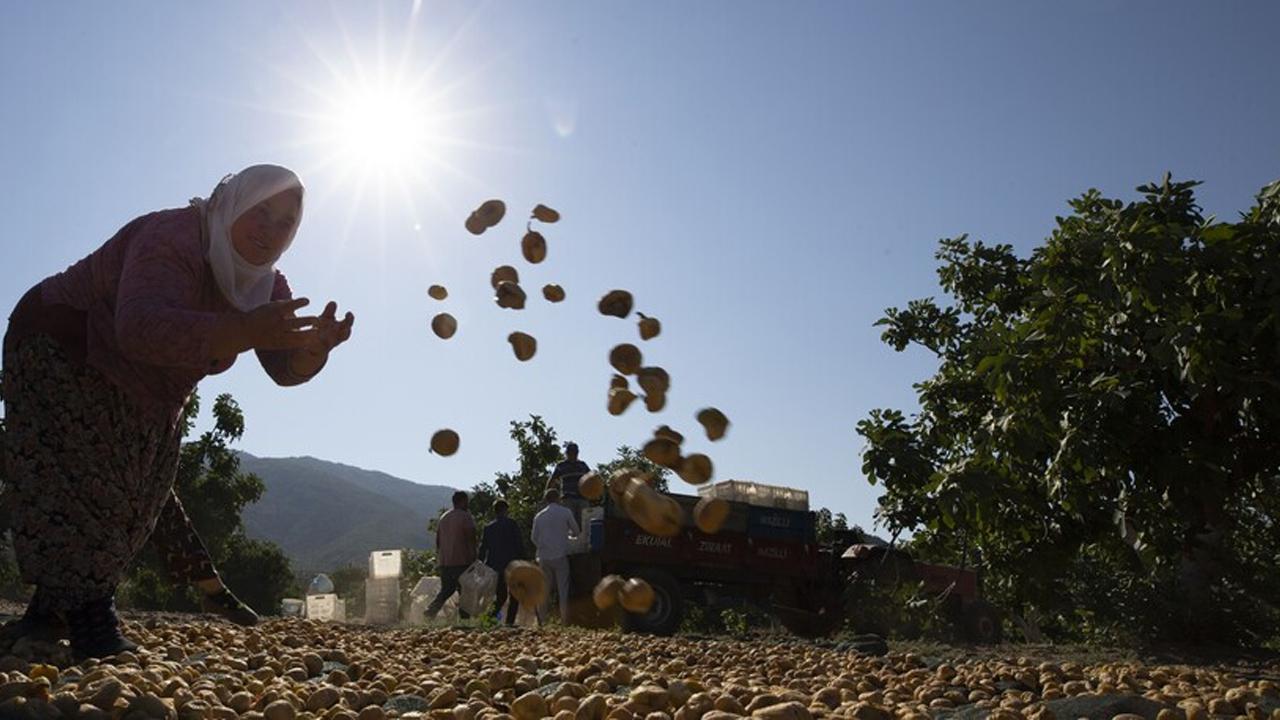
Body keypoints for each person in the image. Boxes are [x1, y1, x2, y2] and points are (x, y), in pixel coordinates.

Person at [0, 164, 354, 658]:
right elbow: (140, 327)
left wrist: (314, 350)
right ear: (232, 203)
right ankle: (90, 616)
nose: (270, 231)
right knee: (91, 474)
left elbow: (283, 367)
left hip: (150, 387)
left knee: (148, 485)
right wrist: (244, 331)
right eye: (261, 212)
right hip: (62, 340)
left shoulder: (267, 285)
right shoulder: (174, 236)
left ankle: (46, 615)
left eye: (285, 224)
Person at [530, 488, 580, 624]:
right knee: (563, 589)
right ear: (558, 498)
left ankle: (542, 620)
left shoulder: (539, 516)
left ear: (546, 500)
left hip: (544, 557)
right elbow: (576, 532)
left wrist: (544, 546)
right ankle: (564, 620)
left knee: (545, 590)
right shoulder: (566, 512)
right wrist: (567, 537)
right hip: (561, 555)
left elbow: (533, 538)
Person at [426, 491, 477, 620]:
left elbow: (438, 541)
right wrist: (474, 558)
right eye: (467, 501)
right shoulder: (466, 517)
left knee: (447, 590)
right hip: (462, 560)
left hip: (445, 561)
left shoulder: (444, 517)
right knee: (465, 591)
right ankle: (465, 619)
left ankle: (430, 611)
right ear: (463, 501)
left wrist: (440, 557)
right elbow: (471, 538)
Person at [478, 499, 524, 625]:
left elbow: (483, 548)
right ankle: (509, 623)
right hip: (512, 566)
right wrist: (524, 560)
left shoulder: (488, 528)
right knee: (514, 596)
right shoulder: (512, 524)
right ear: (505, 510)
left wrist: (479, 563)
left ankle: (489, 620)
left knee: (501, 597)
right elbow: (519, 544)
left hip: (495, 566)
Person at [550, 442, 591, 517]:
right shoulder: (561, 465)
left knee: (584, 522)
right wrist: (548, 495)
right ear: (567, 453)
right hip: (567, 498)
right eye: (570, 452)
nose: (573, 455)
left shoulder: (582, 465)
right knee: (569, 522)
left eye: (574, 452)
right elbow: (552, 480)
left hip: (582, 498)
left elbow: (591, 478)